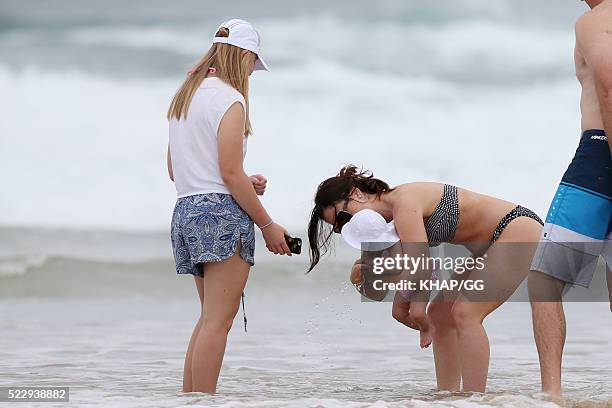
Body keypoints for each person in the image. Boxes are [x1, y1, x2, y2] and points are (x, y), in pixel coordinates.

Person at [307, 165, 544, 392]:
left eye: (343, 217)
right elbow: (379, 291)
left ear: (356, 193)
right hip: (490, 246)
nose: (346, 226)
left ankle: (475, 398)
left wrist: (399, 295)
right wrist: (361, 277)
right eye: (339, 228)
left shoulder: (404, 201)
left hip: (516, 228)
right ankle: (447, 395)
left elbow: (420, 267)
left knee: (466, 312)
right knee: (440, 314)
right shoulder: (382, 228)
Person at [166, 19, 292, 394]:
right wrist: (268, 224)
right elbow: (229, 172)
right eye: (253, 64)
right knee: (218, 323)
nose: (252, 72)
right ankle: (203, 401)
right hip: (221, 216)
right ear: (246, 55)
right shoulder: (230, 100)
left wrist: (239, 179)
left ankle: (190, 399)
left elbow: (177, 170)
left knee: (208, 319)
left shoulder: (184, 98)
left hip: (187, 211)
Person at [528, 0, 612, 397]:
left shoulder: (595, 20)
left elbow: (609, 87)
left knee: (544, 281)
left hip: (602, 153)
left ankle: (551, 396)